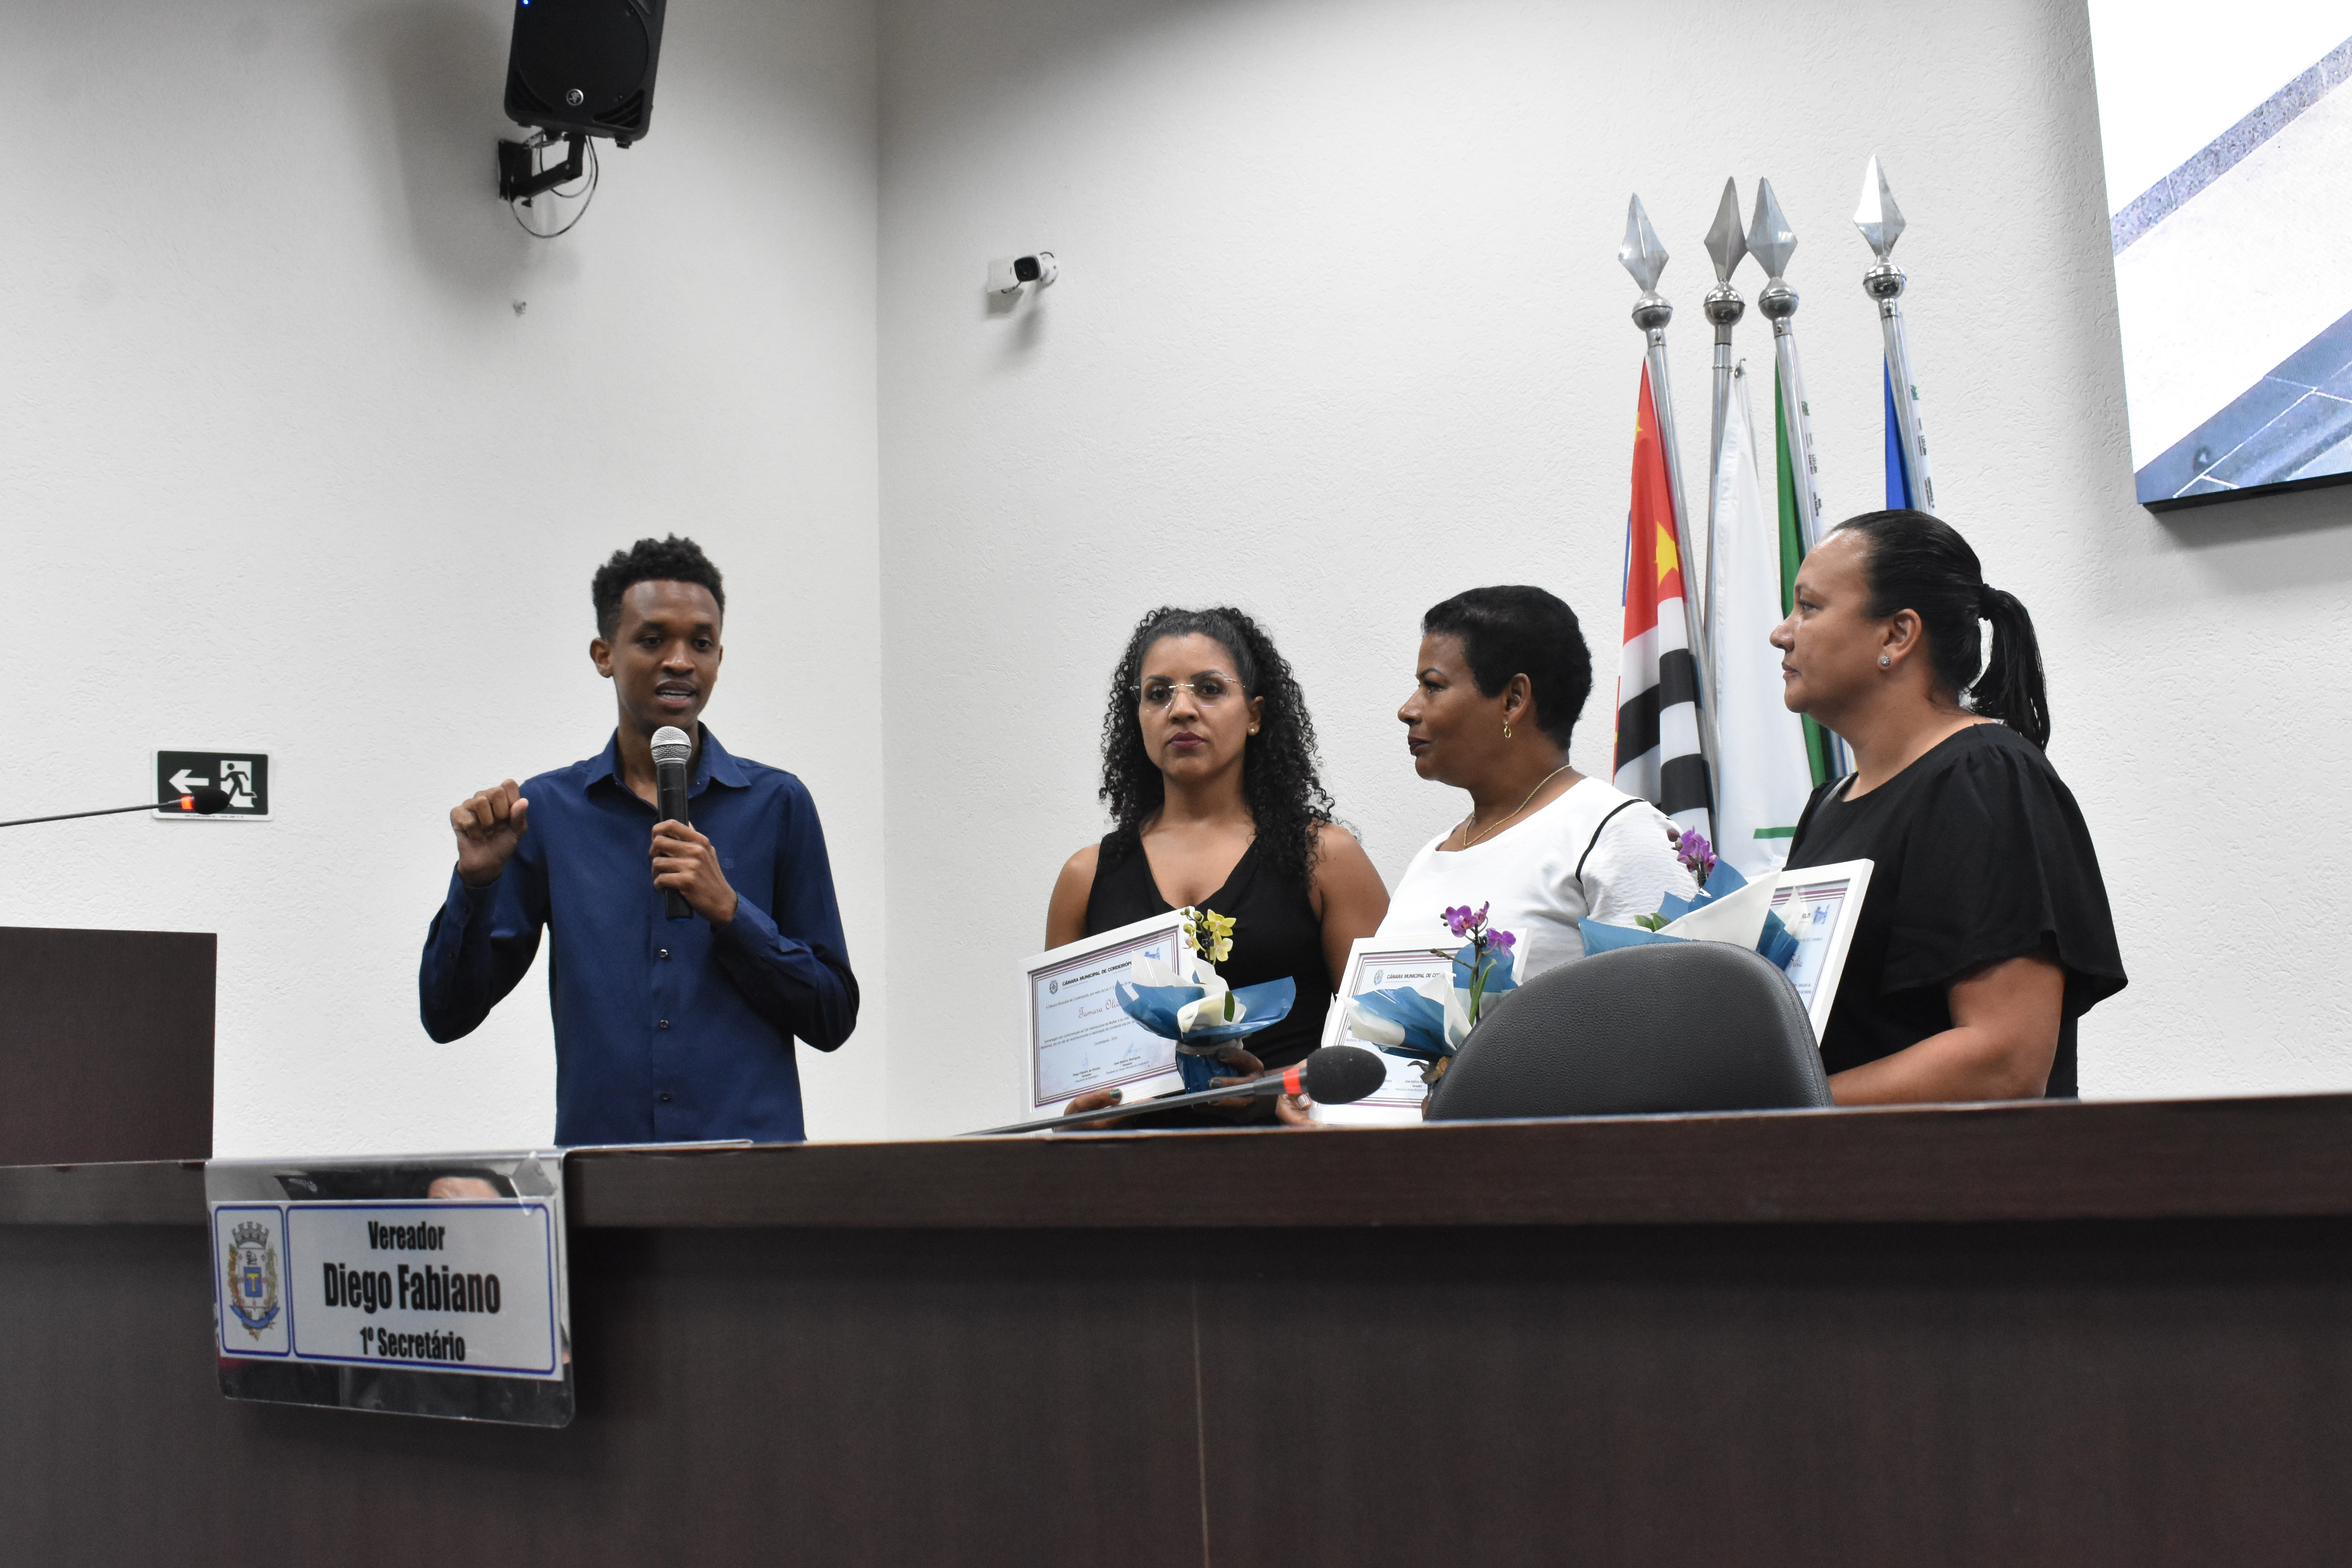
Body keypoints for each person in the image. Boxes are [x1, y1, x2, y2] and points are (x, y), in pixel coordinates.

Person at [418, 535, 858, 1145]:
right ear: (605, 655)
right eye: (653, 640)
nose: (680, 661)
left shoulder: (778, 804)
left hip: (755, 1179)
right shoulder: (546, 814)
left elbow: (833, 1018)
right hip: (609, 1178)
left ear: (720, 657)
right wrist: (477, 884)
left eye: (700, 643)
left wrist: (732, 914)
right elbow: (447, 1016)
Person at [1771, 508, 2124, 1102]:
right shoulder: (1827, 805)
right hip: (1832, 1159)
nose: (1782, 634)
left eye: (1809, 607)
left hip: (1951, 1163)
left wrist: (1782, 1104)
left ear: (1897, 635)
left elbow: (2006, 1062)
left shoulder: (1983, 777)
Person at [1046, 606, 1388, 1125]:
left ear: (1254, 715)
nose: (1181, 709)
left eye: (1209, 689)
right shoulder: (1085, 877)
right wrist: (1075, 1112)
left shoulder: (1326, 858)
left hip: (1287, 1163)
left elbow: (1387, 1048)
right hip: (1130, 1169)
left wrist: (1280, 1088)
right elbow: (1064, 1088)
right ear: (1138, 717)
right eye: (1158, 693)